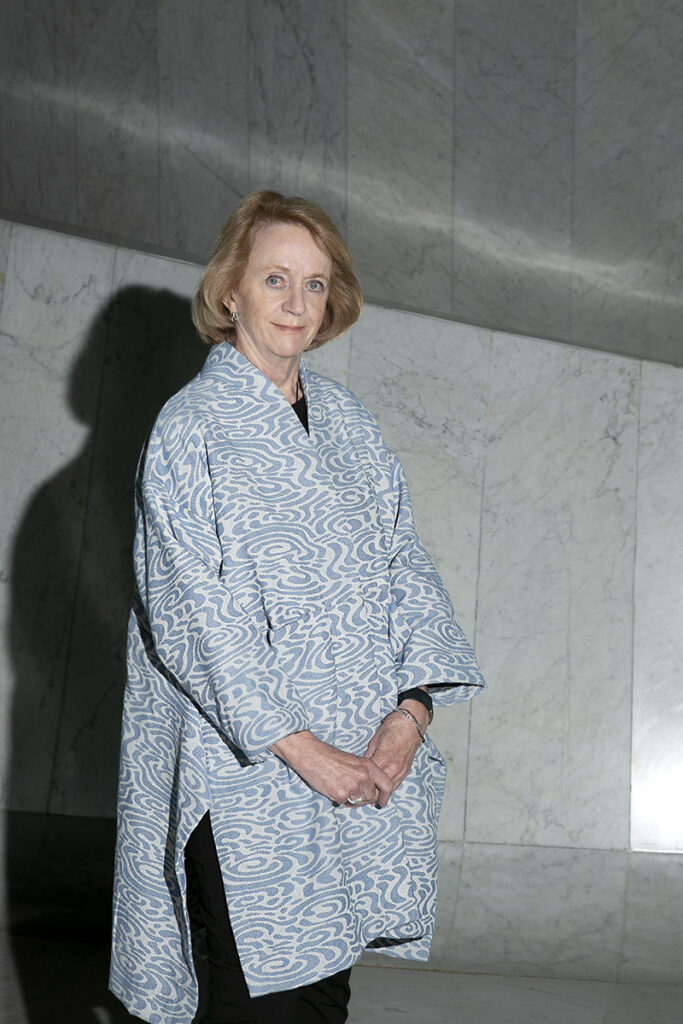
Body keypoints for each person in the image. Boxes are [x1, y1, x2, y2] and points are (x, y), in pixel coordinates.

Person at [109, 190, 485, 1024]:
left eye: (314, 284)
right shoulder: (190, 427)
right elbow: (192, 615)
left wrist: (411, 712)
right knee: (259, 994)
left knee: (321, 987)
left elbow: (404, 563)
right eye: (274, 278)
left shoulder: (347, 420)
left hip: (358, 752)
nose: (295, 302)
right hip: (246, 765)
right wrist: (304, 751)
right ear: (230, 292)